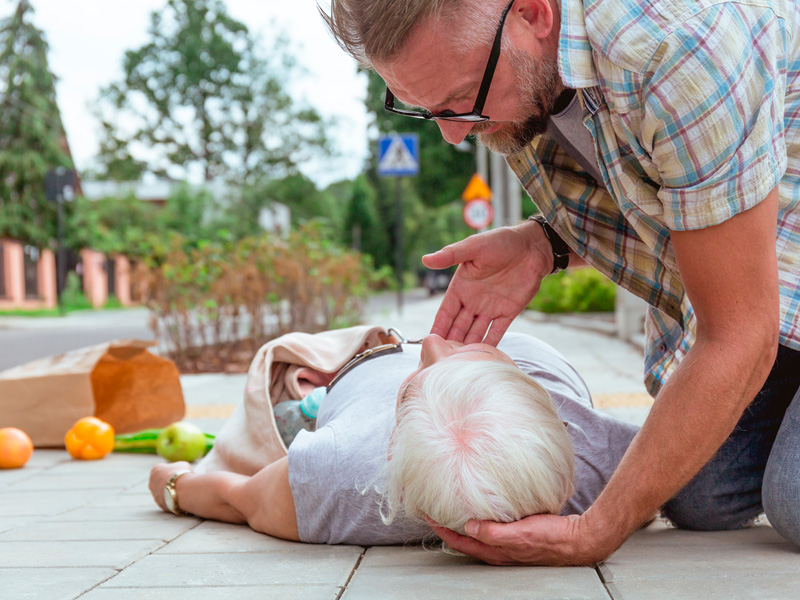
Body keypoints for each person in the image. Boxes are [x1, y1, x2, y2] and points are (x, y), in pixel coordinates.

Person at [320, 0, 800, 565]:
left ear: (533, 14)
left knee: (790, 497)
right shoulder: (520, 70)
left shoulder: (680, 50)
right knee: (698, 498)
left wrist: (596, 532)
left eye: (459, 102)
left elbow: (739, 331)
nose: (453, 135)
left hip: (760, 309)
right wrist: (544, 244)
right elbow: (661, 196)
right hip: (777, 275)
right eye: (427, 111)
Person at [149, 333, 638, 545]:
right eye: (476, 353)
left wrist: (171, 485)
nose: (430, 342)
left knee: (284, 395)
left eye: (420, 375)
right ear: (551, 411)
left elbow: (236, 499)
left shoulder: (335, 474)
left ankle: (309, 397)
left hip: (350, 376)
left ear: (390, 446)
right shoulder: (610, 464)